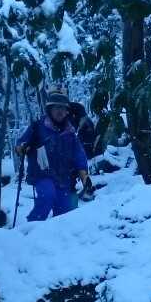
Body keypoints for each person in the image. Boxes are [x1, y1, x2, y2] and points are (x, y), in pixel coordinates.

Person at [16, 88, 93, 220]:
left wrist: (84, 177)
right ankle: (31, 228)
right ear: (50, 109)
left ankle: (56, 233)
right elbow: (21, 143)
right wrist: (22, 148)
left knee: (65, 216)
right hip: (42, 175)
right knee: (47, 195)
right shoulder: (38, 127)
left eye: (63, 108)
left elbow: (79, 156)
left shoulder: (70, 133)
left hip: (63, 179)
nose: (60, 111)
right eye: (56, 107)